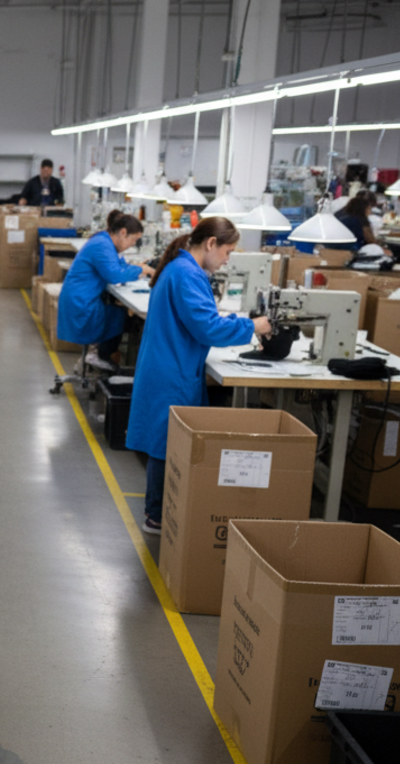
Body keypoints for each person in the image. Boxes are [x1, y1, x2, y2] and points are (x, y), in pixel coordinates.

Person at [126, 218, 271, 535]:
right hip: (171, 368)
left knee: (167, 441)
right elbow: (207, 328)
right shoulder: (187, 274)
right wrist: (253, 327)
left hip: (170, 362)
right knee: (167, 443)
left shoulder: (182, 269)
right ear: (210, 244)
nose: (227, 259)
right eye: (228, 252)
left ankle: (159, 512)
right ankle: (156, 516)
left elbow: (201, 319)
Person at [57, 211, 152, 372]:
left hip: (81, 299)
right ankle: (99, 354)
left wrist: (136, 267)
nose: (132, 245)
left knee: (120, 312)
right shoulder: (102, 245)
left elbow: (117, 266)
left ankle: (95, 352)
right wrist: (142, 269)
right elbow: (114, 275)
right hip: (81, 304)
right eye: (134, 240)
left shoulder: (104, 242)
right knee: (122, 316)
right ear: (123, 233)